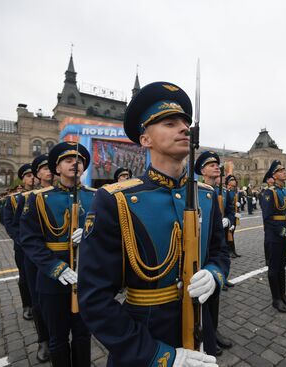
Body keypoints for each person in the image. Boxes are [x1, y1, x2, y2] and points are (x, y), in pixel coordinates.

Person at [77, 81, 227, 367]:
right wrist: (161, 356)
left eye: (185, 122)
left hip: (199, 328)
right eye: (170, 123)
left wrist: (214, 274)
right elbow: (95, 298)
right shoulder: (115, 200)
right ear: (145, 139)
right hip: (143, 341)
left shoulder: (207, 196)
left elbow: (219, 252)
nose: (184, 128)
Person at [20, 142, 96, 366]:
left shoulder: (97, 197)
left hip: (85, 277)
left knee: (83, 336)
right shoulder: (39, 198)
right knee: (57, 338)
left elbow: (110, 235)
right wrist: (56, 267)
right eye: (68, 160)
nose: (75, 163)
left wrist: (92, 235)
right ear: (57, 168)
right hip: (52, 279)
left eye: (79, 160)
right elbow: (30, 240)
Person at [194, 150, 234, 355]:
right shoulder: (197, 191)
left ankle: (213, 332)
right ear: (202, 171)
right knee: (201, 301)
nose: (216, 167)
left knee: (215, 295)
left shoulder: (222, 190)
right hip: (199, 248)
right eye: (211, 165)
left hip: (214, 248)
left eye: (217, 165)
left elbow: (229, 209)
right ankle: (205, 335)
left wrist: (230, 220)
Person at [18, 154, 53, 362]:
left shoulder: (62, 193)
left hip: (59, 254)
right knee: (39, 300)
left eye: (51, 167)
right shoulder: (27, 197)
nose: (49, 171)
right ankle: (44, 340)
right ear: (37, 173)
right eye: (44, 168)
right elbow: (17, 226)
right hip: (34, 256)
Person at [260, 160, 286, 313]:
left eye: (284, 170)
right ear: (274, 175)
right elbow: (268, 218)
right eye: (281, 171)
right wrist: (283, 232)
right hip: (274, 236)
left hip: (284, 235)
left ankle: (283, 295)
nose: (284, 173)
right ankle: (276, 299)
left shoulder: (284, 191)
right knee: (274, 268)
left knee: (282, 266)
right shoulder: (270, 192)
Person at [2, 163, 35, 321]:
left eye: (33, 174)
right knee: (25, 277)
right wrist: (22, 241)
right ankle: (27, 305)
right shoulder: (14, 200)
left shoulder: (45, 195)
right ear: (22, 179)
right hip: (23, 247)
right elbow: (9, 223)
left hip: (40, 246)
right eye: (28, 176)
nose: (32, 178)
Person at [225, 174, 241, 258]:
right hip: (229, 216)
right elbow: (227, 205)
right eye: (232, 179)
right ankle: (229, 251)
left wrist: (238, 208)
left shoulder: (234, 191)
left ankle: (233, 251)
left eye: (234, 179)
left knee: (232, 233)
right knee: (228, 234)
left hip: (234, 216)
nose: (234, 181)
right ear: (228, 182)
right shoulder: (226, 191)